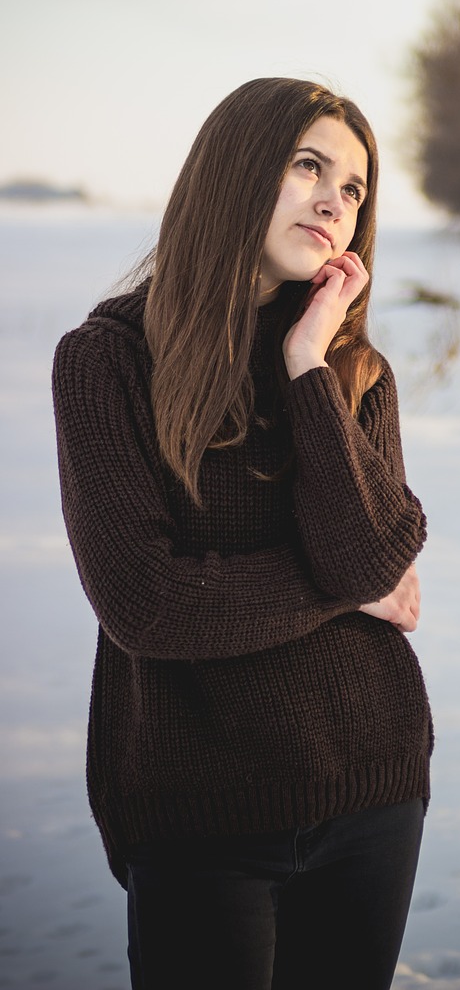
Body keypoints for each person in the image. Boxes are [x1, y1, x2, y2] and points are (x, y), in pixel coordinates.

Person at [52, 78, 433, 990]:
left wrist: (307, 365)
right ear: (235, 170)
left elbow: (378, 556)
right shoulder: (107, 361)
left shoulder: (349, 371)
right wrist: (345, 586)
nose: (334, 201)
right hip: (198, 813)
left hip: (372, 789)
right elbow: (148, 604)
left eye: (354, 188)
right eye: (310, 165)